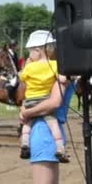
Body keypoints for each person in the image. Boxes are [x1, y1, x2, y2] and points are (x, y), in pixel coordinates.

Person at [19, 70, 75, 184]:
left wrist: (26, 112)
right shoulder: (51, 74)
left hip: (45, 132)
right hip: (44, 132)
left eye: (33, 52)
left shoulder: (58, 73)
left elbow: (54, 102)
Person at [18, 30, 68, 163]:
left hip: (29, 101)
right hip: (44, 100)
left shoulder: (29, 67)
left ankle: (24, 143)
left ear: (37, 50)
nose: (29, 55)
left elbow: (21, 77)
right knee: (53, 124)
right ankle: (60, 147)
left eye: (30, 51)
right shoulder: (54, 65)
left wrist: (27, 65)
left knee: (27, 124)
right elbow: (62, 79)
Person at [6, 39, 21, 103]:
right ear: (12, 46)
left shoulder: (14, 53)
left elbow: (16, 63)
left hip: (15, 71)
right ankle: (10, 98)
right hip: (8, 71)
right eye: (16, 46)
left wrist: (19, 70)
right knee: (13, 82)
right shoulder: (7, 54)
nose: (17, 47)